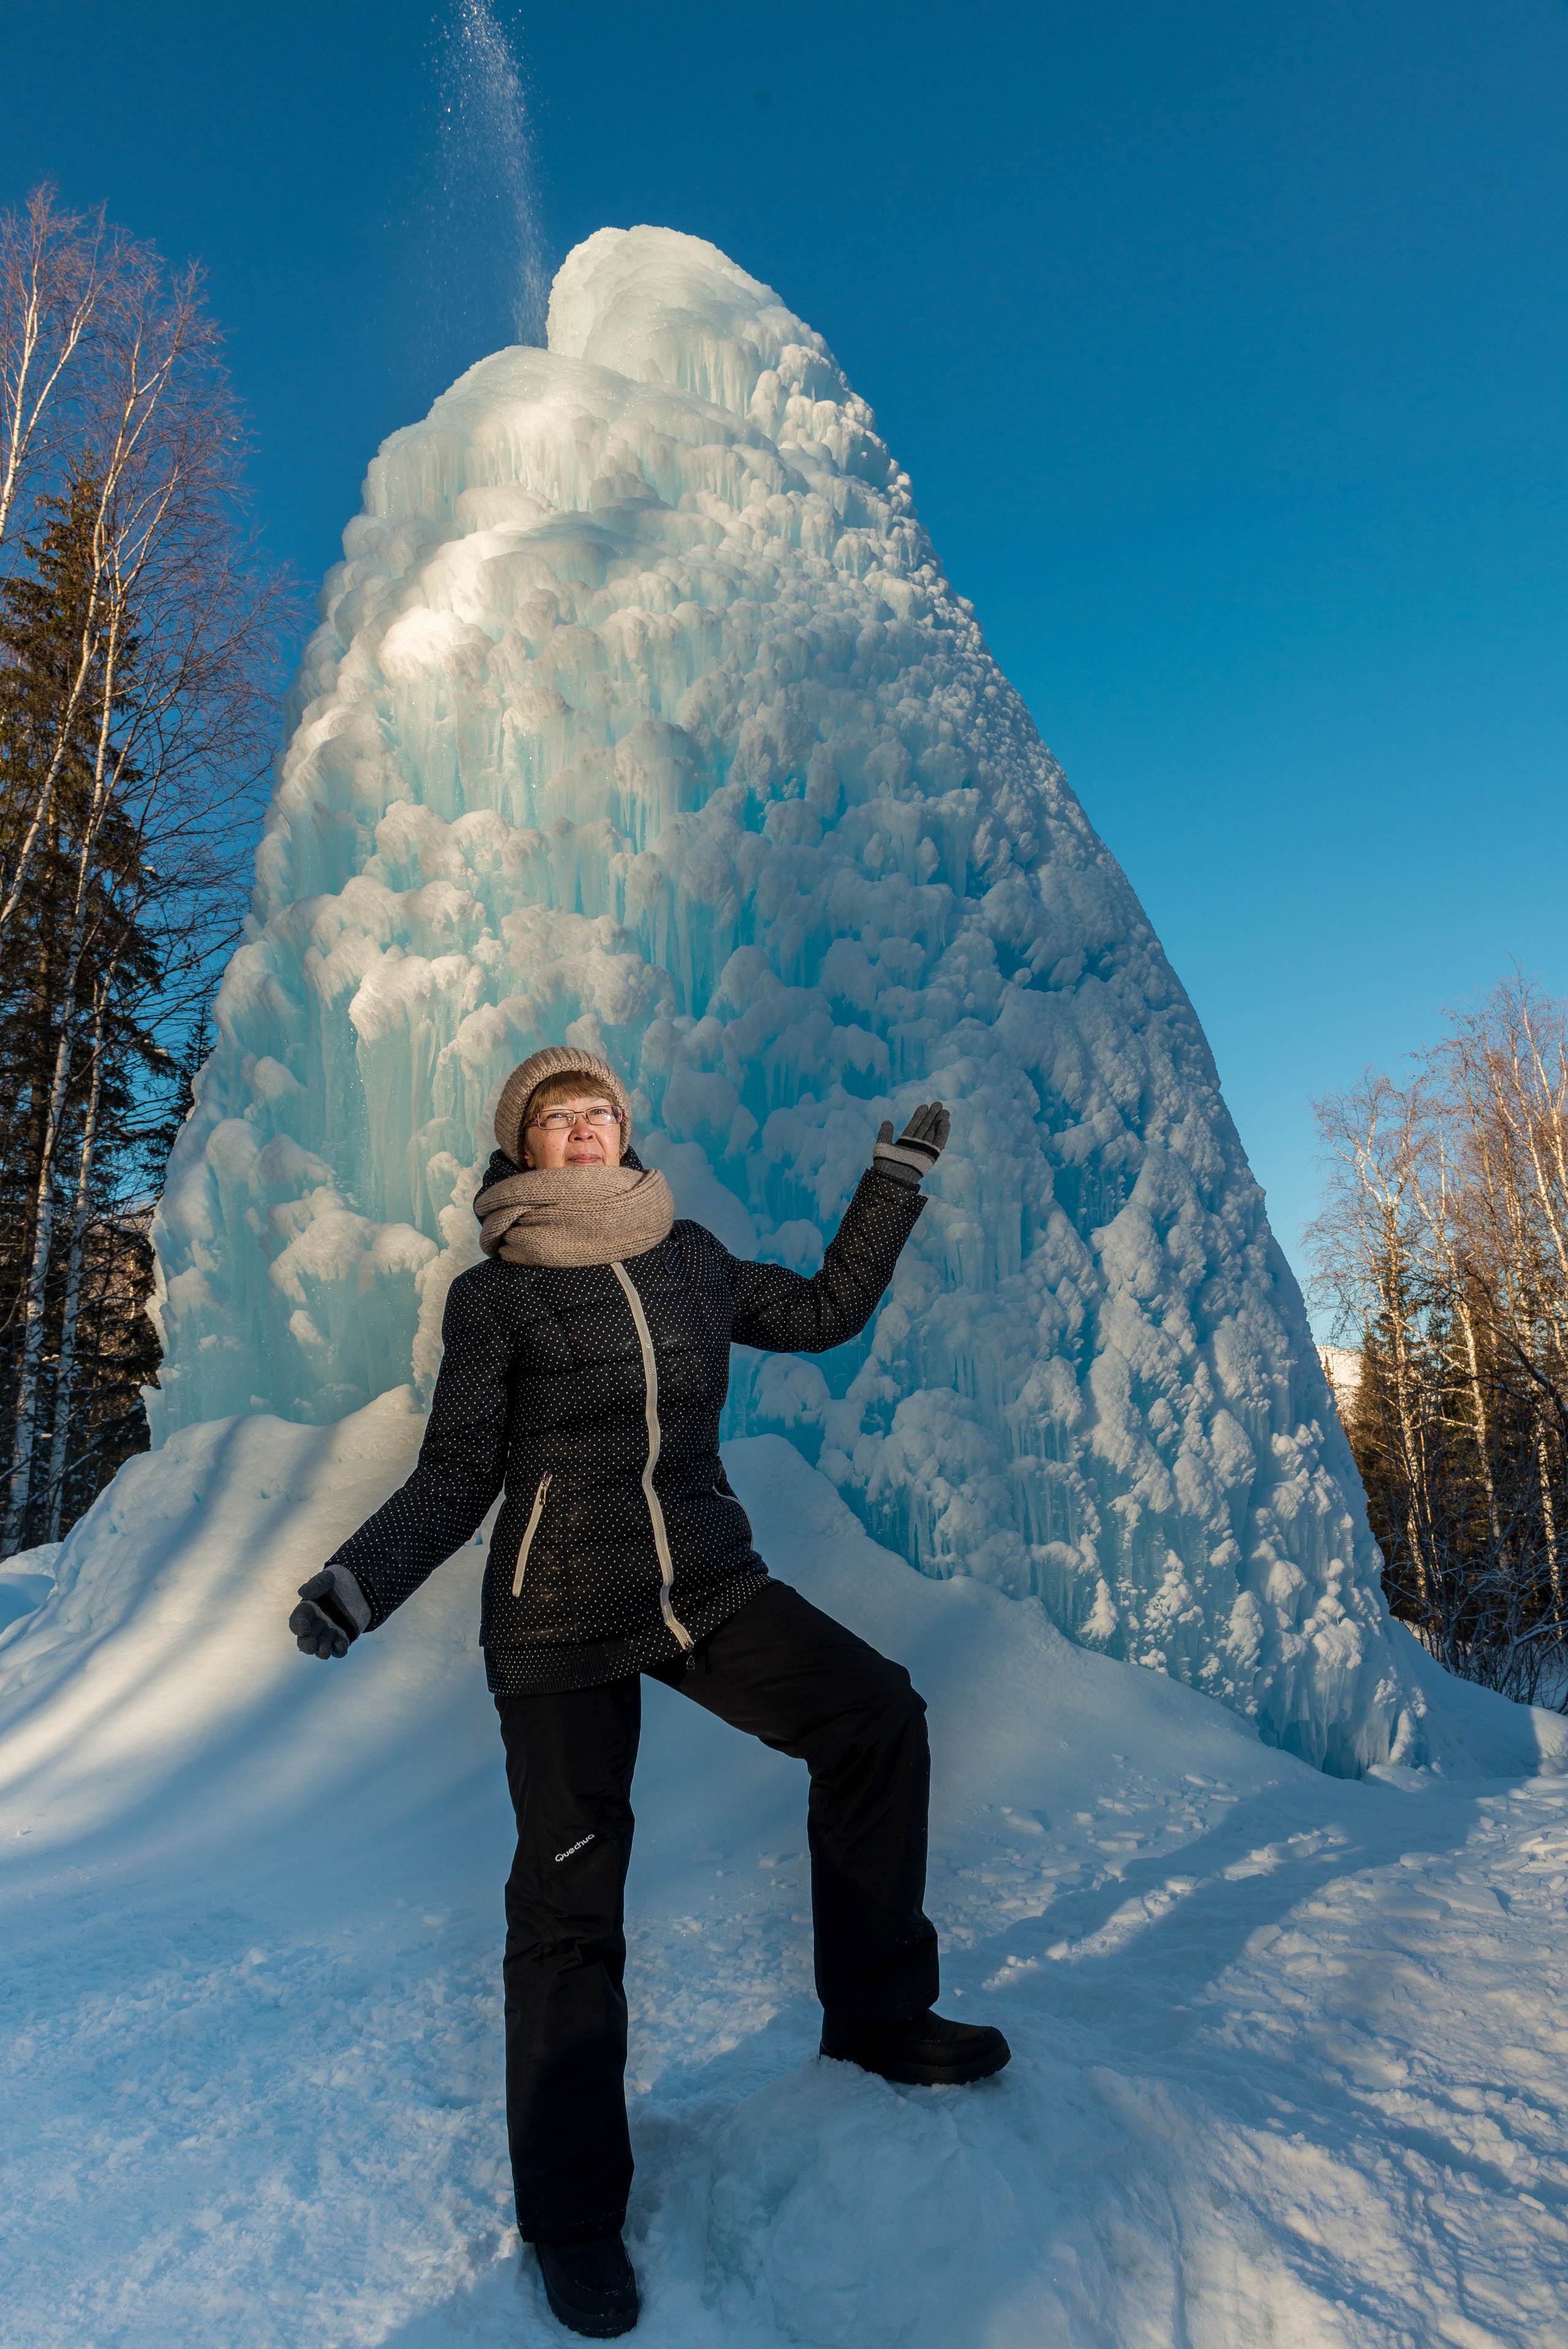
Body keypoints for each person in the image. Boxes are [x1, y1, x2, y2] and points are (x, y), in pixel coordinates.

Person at [288, 1046, 1009, 2340]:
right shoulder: (494, 1297)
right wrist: (357, 1580)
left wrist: (889, 1186)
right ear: (522, 1148)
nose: (582, 1132)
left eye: (598, 1113)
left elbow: (822, 1313)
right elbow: (457, 1475)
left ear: (626, 1130)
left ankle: (881, 2015)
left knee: (873, 1715)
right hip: (558, 1612)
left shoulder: (686, 1251)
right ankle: (572, 2219)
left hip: (704, 1581)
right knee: (571, 1903)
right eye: (557, 1120)